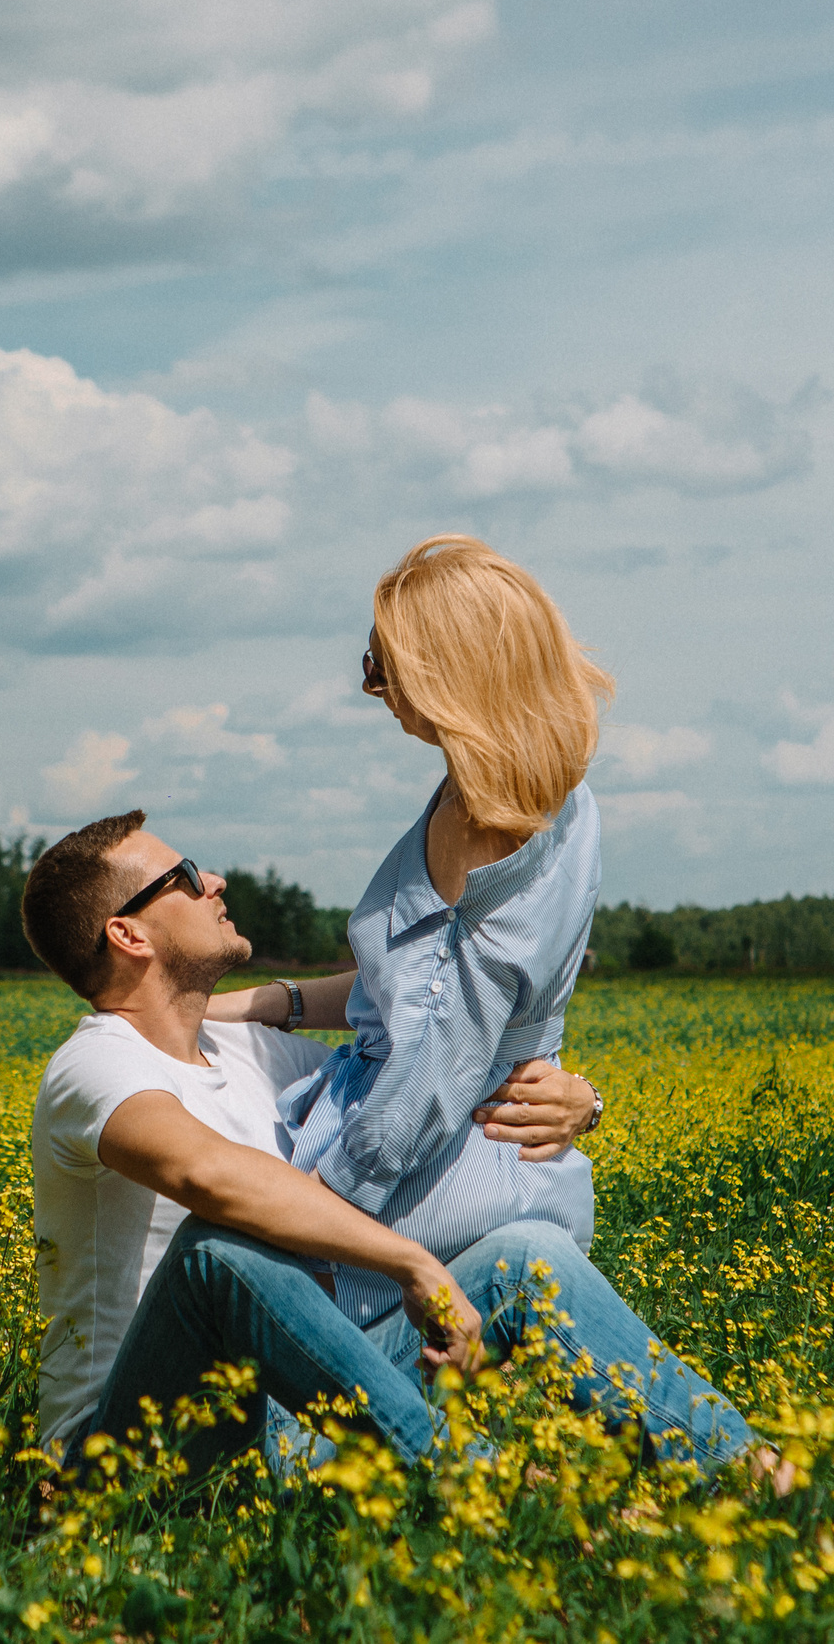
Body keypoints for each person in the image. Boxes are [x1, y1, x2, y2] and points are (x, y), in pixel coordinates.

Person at [22, 811, 763, 1482]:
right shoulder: (94, 1062)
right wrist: (414, 1265)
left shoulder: (247, 1054)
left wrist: (580, 1099)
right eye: (184, 877)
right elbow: (207, 1173)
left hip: (285, 1410)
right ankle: (494, 1489)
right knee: (221, 1246)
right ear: (128, 933)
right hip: (127, 1452)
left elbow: (418, 1046)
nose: (213, 880)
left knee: (528, 1255)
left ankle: (758, 1480)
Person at [208, 534, 609, 1329]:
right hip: (522, 1169)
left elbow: (429, 1061)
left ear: (450, 670)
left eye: (383, 664)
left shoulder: (475, 824)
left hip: (428, 1189)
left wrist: (316, 1211)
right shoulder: (565, 801)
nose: (374, 689)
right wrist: (262, 1002)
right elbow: (428, 995)